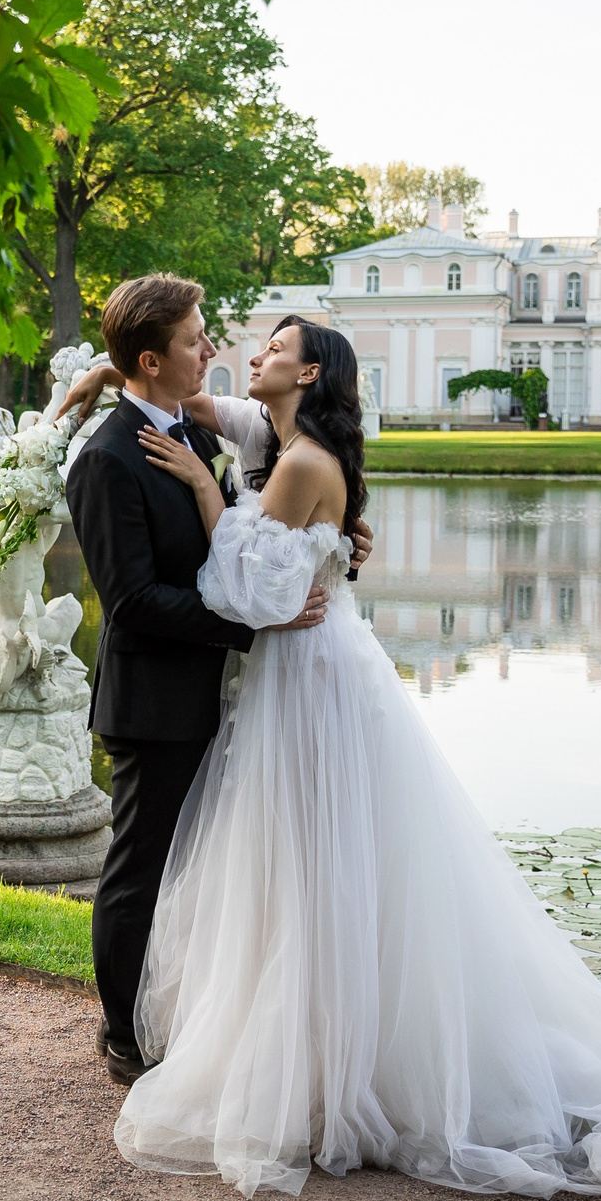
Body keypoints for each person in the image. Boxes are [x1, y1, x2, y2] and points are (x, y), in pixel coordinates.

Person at [68, 312, 601, 1201]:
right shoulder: (268, 432)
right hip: (298, 674)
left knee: (321, 871)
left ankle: (336, 1066)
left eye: (275, 349)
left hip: (313, 682)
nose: (250, 354)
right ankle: (292, 1046)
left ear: (311, 373)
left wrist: (215, 501)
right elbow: (181, 390)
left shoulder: (303, 461)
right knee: (300, 870)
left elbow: (249, 586)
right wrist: (101, 379)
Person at [60, 276, 373, 1089]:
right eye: (199, 338)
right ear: (155, 359)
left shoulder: (201, 434)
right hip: (157, 698)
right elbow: (130, 601)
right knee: (141, 868)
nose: (215, 349)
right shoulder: (106, 457)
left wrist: (331, 542)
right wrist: (254, 622)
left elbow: (252, 533)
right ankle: (125, 1033)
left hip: (228, 695)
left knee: (202, 869)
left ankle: (184, 1020)